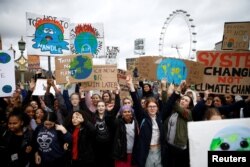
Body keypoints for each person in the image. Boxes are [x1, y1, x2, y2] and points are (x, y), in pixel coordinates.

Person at [127, 75, 167, 167]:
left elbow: (169, 103)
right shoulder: (143, 117)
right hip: (147, 151)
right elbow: (136, 103)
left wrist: (166, 88)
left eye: (154, 106)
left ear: (157, 108)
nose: (152, 108)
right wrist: (131, 86)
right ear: (146, 108)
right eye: (150, 106)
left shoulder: (160, 117)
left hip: (159, 151)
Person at [163, 80, 194, 167]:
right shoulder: (173, 111)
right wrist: (164, 88)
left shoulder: (188, 113)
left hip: (178, 147)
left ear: (189, 105)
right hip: (168, 144)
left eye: (186, 101)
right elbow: (167, 102)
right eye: (182, 99)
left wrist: (174, 92)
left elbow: (175, 104)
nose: (183, 101)